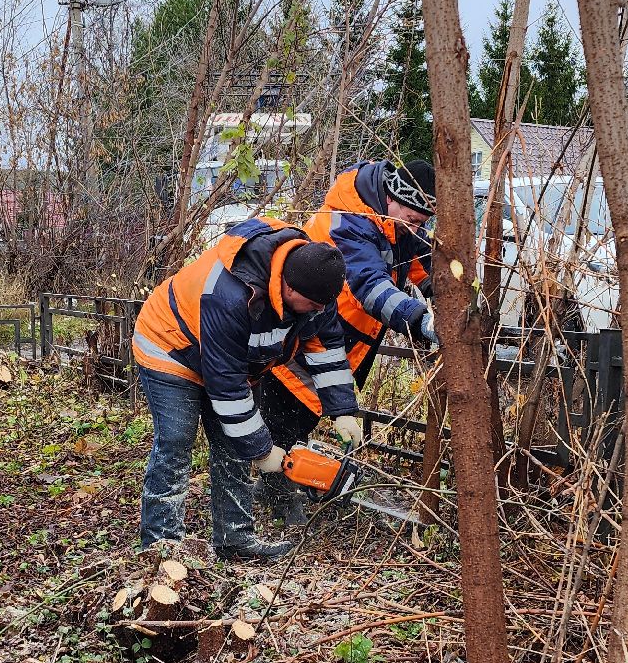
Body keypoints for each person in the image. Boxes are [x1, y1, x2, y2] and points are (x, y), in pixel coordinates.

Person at [133, 217, 365, 561]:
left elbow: (327, 349)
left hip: (235, 362)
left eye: (323, 306)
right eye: (313, 305)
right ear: (288, 287)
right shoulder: (230, 294)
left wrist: (342, 409)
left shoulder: (316, 292)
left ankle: (235, 540)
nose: (319, 311)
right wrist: (261, 450)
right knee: (177, 440)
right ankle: (161, 547)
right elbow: (225, 385)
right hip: (171, 347)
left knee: (232, 446)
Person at [253, 158, 435, 523]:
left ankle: (292, 480)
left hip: (346, 341)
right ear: (392, 199)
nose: (416, 228)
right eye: (413, 220)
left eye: (422, 223)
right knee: (286, 418)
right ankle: (276, 494)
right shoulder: (347, 223)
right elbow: (369, 285)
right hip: (305, 335)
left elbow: (423, 263)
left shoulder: (399, 224)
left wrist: (443, 289)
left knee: (307, 417)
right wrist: (422, 321)